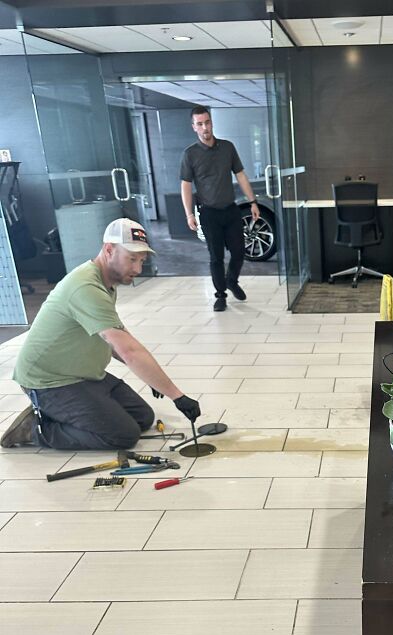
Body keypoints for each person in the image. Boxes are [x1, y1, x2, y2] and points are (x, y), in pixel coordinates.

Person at [1, 218, 201, 450]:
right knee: (123, 435)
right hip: (49, 381)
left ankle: (71, 412)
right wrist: (177, 396)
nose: (137, 269)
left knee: (143, 418)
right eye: (132, 259)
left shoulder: (106, 282)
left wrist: (152, 377)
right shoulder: (86, 287)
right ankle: (36, 429)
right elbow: (129, 351)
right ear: (109, 250)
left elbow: (121, 341)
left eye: (142, 260)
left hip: (82, 373)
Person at [180, 105, 261, 313]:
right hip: (209, 213)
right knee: (216, 257)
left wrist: (252, 201)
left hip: (231, 210)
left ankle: (232, 281)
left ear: (211, 123)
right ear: (193, 127)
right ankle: (220, 295)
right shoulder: (190, 154)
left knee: (239, 252)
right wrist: (189, 213)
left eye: (207, 122)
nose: (205, 127)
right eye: (200, 124)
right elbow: (186, 185)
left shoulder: (227, 147)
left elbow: (240, 175)